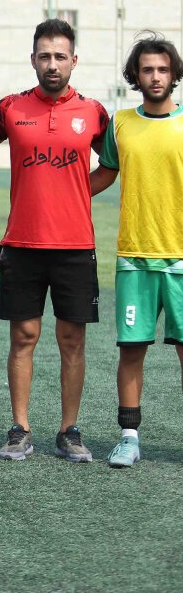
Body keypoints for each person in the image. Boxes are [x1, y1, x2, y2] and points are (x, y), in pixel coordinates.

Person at [0, 19, 108, 462]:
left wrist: (74, 192)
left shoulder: (94, 112)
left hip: (75, 246)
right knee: (24, 336)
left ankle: (69, 431)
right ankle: (20, 429)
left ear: (74, 60)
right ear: (32, 60)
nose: (52, 64)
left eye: (60, 56)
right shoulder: (11, 108)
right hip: (22, 244)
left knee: (72, 340)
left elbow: (111, 164)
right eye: (44, 56)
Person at [90, 34, 183, 468]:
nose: (156, 76)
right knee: (131, 350)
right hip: (133, 258)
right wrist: (57, 195)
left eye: (163, 69)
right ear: (136, 75)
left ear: (174, 74)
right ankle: (129, 439)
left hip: (181, 260)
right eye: (148, 69)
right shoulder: (121, 123)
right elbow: (104, 174)